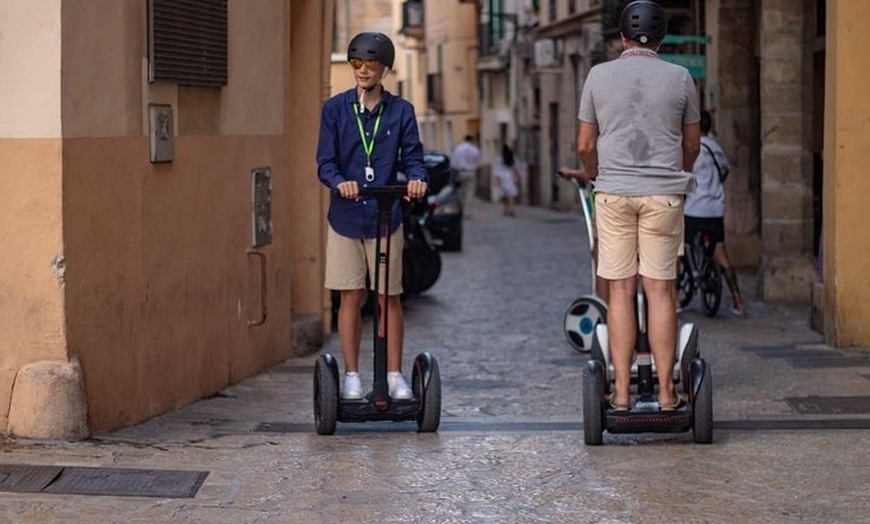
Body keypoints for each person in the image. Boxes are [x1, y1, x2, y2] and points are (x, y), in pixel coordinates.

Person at [576, 0, 701, 412]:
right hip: (664, 195)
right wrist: (673, 175)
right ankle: (667, 393)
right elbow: (692, 145)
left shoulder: (597, 75)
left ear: (622, 37)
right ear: (662, 38)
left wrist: (597, 175)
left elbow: (584, 145)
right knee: (661, 291)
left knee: (620, 292)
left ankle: (624, 394)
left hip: (614, 193)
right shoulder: (681, 77)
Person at [316, 32, 429, 400]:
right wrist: (339, 182)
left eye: (371, 64)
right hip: (345, 218)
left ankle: (395, 375)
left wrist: (416, 180)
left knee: (388, 296)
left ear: (384, 68)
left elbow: (413, 157)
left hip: (385, 217)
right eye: (356, 63)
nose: (363, 70)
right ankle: (351, 375)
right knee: (350, 296)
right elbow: (325, 162)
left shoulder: (401, 111)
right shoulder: (335, 110)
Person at [684, 110, 745, 316]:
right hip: (715, 209)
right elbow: (724, 170)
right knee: (721, 254)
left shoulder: (690, 149)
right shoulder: (716, 148)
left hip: (694, 209)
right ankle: (738, 300)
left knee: (677, 250)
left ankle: (674, 298)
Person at [558, 166, 609, 304]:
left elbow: (586, 150)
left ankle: (603, 309)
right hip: (660, 194)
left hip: (613, 196)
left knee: (603, 255)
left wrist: (574, 173)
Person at [451, 135, 482, 218]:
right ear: (471, 140)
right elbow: (478, 164)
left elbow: (454, 164)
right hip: (471, 173)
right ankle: (467, 213)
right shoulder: (475, 150)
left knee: (461, 193)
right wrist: (478, 174)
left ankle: (461, 210)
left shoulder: (458, 149)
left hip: (460, 173)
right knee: (470, 193)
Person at [494, 144, 520, 216]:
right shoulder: (513, 158)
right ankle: (512, 209)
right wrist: (517, 177)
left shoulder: (500, 159)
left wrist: (496, 179)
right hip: (511, 177)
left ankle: (505, 209)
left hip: (503, 177)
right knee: (511, 195)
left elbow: (497, 170)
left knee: (504, 195)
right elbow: (516, 168)